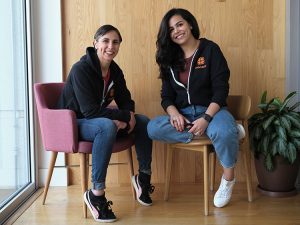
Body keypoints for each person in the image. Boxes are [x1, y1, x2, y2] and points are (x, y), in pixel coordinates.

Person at [147, 8, 245, 208]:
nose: (177, 31)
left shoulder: (210, 50)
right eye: (171, 29)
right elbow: (166, 97)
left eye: (180, 24)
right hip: (185, 116)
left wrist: (206, 119)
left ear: (190, 24)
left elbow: (221, 89)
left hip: (213, 111)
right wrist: (174, 114)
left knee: (221, 128)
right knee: (152, 127)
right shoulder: (169, 59)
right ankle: (225, 132)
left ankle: (228, 179)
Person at [57, 24, 154, 222]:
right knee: (107, 125)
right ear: (95, 44)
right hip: (74, 122)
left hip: (97, 120)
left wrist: (129, 116)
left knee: (143, 121)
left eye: (116, 42)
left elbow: (126, 100)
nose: (111, 46)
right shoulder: (80, 69)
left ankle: (143, 178)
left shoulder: (114, 71)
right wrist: (123, 118)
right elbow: (90, 111)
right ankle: (96, 193)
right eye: (106, 41)